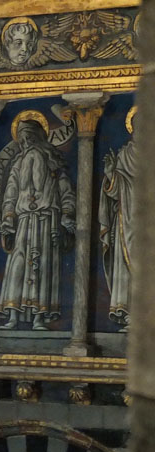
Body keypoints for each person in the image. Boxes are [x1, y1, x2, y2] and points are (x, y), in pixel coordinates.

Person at [0, 116, 74, 331]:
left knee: (43, 267)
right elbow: (11, 191)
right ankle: (13, 316)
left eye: (30, 134)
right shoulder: (18, 163)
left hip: (47, 218)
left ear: (40, 135)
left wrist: (67, 215)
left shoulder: (53, 160)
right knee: (18, 266)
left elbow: (65, 189)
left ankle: (39, 318)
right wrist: (8, 216)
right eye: (22, 135)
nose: (26, 139)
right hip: (24, 220)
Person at [99, 120, 135, 331]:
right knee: (126, 264)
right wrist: (112, 173)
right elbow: (113, 191)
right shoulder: (124, 154)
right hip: (128, 218)